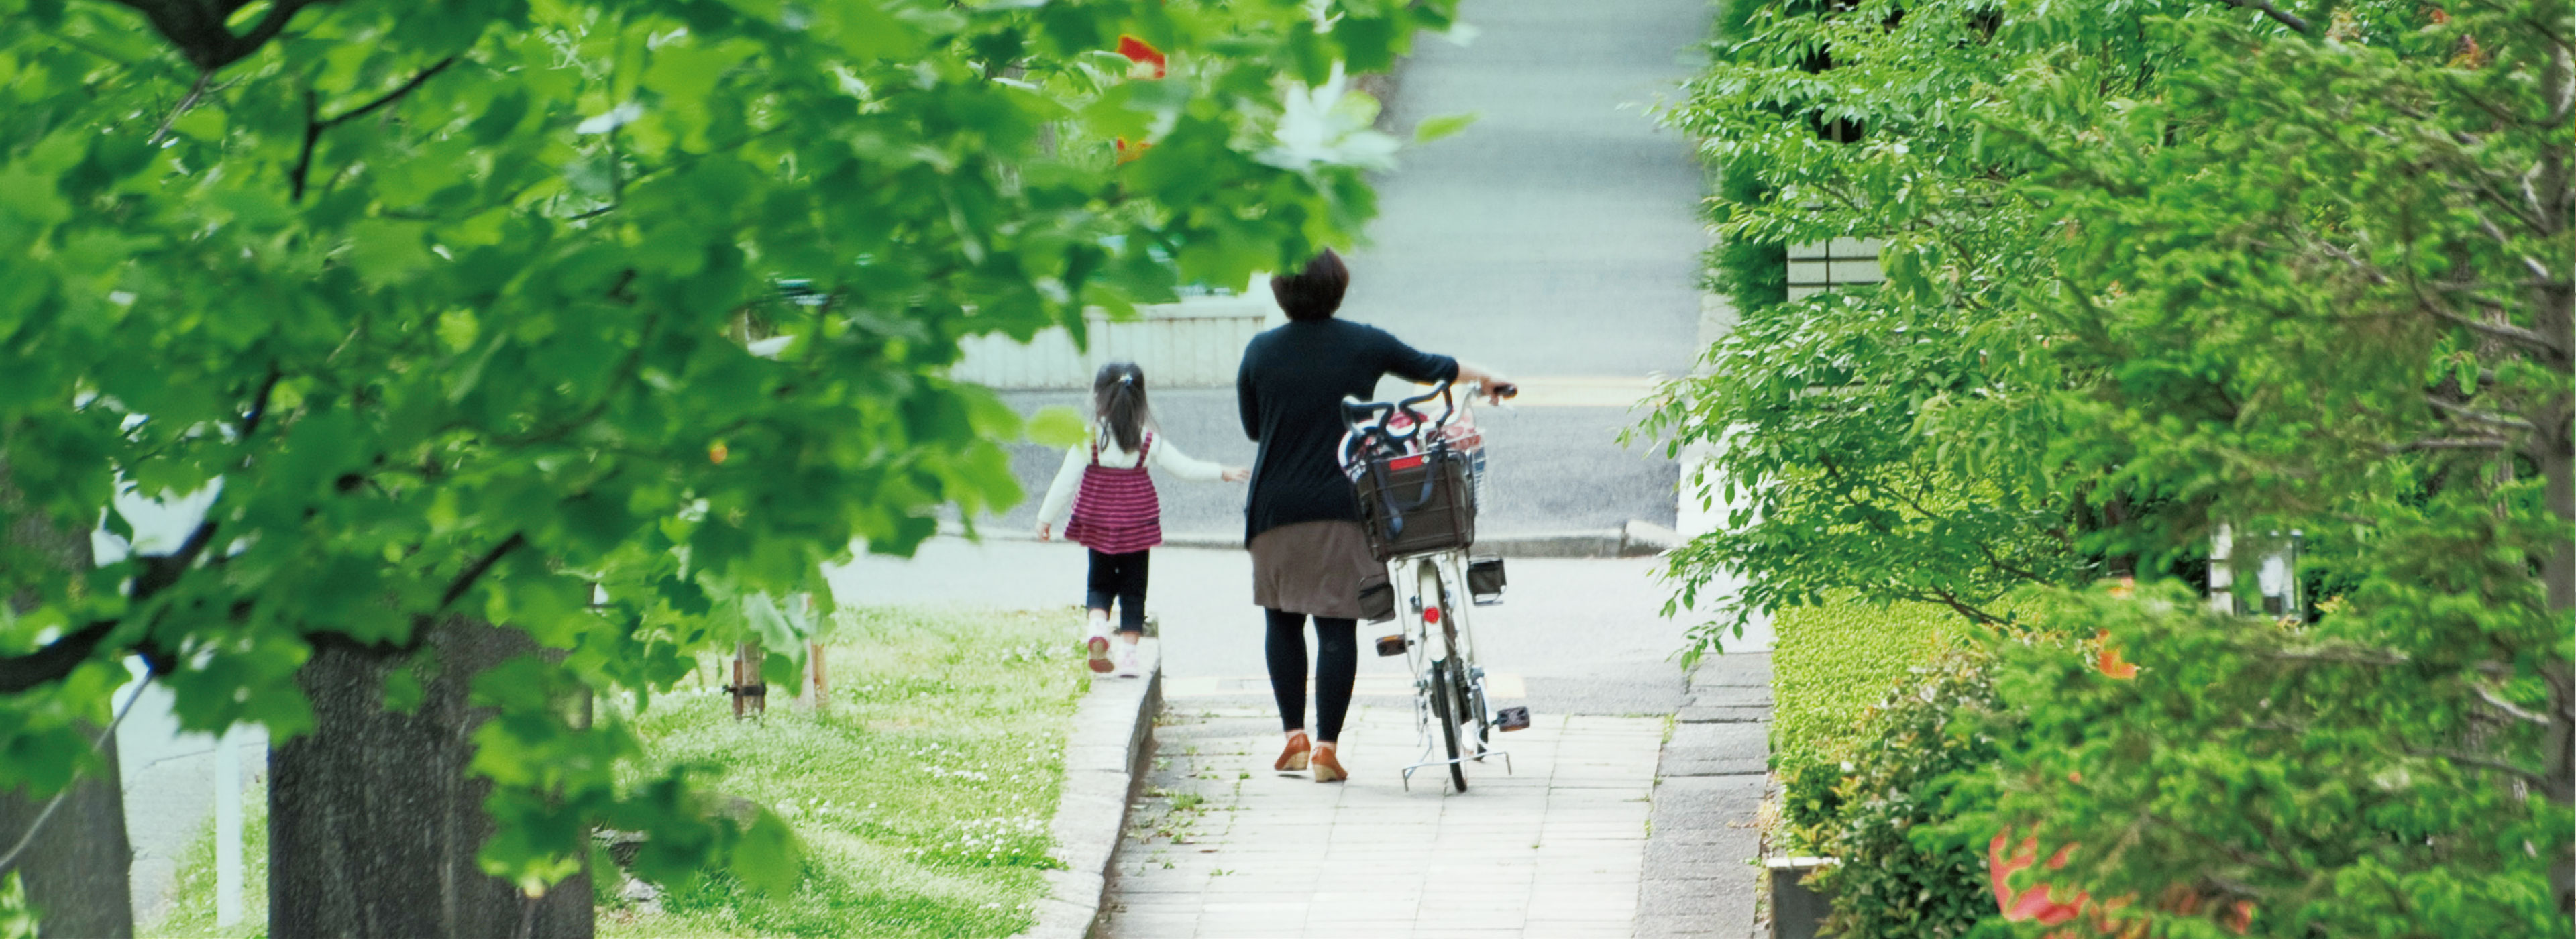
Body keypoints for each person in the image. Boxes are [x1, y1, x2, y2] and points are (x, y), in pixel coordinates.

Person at [1236, 250, 1511, 783]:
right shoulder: (1363, 342)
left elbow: (1254, 429)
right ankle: (1325, 748)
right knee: (1336, 627)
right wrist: (1492, 378)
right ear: (1338, 287)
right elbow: (1437, 369)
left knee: (1281, 618)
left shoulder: (1260, 351)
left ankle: (1292, 736)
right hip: (1343, 504)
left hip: (1273, 507)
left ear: (1279, 291)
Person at [1038, 362, 1250, 678]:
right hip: (1137, 527)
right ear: (1140, 400)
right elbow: (1185, 468)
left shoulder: (1090, 439)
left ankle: (1097, 626)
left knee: (1099, 583)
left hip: (1098, 525)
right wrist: (1222, 471)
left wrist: (1045, 518)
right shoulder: (1147, 441)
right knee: (1134, 590)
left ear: (1099, 398)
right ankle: (1128, 657)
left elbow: (1065, 480)